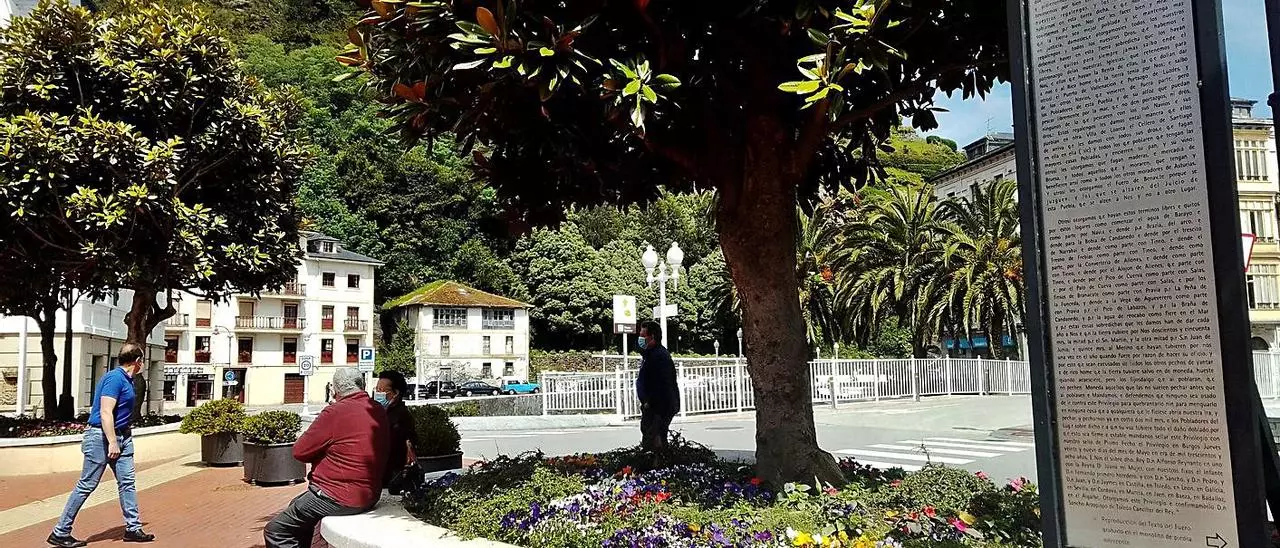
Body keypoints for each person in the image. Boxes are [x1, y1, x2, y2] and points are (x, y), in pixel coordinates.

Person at [264, 368, 389, 548]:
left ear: (335, 390)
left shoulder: (335, 412)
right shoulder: (377, 409)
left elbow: (300, 451)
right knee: (297, 505)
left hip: (337, 495)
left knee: (276, 531)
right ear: (362, 386)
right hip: (369, 493)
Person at [48, 343, 156, 548]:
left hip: (123, 436)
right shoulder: (114, 379)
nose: (143, 364)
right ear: (137, 361)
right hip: (101, 437)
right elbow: (106, 412)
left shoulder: (127, 380)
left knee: (127, 483)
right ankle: (60, 532)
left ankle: (133, 528)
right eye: (142, 360)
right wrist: (112, 442)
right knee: (87, 485)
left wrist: (120, 438)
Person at [636, 321, 680, 452]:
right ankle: (657, 459)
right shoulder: (650, 354)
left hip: (659, 406)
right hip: (653, 405)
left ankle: (658, 461)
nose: (640, 339)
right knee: (651, 435)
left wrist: (649, 402)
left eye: (643, 336)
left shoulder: (659, 356)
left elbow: (661, 383)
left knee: (655, 438)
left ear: (652, 337)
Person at [375, 370, 418, 491]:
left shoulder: (401, 416)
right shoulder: (378, 412)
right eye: (377, 390)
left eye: (383, 390)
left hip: (392, 476)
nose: (378, 394)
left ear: (396, 393)